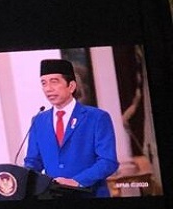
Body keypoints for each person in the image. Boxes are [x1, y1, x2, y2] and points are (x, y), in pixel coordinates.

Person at [24, 59, 118, 197]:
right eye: (44, 83)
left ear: (71, 86)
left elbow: (108, 161)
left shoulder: (97, 117)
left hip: (90, 194)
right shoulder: (39, 121)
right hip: (52, 196)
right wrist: (22, 178)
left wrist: (76, 181)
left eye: (54, 81)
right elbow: (33, 161)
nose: (48, 88)